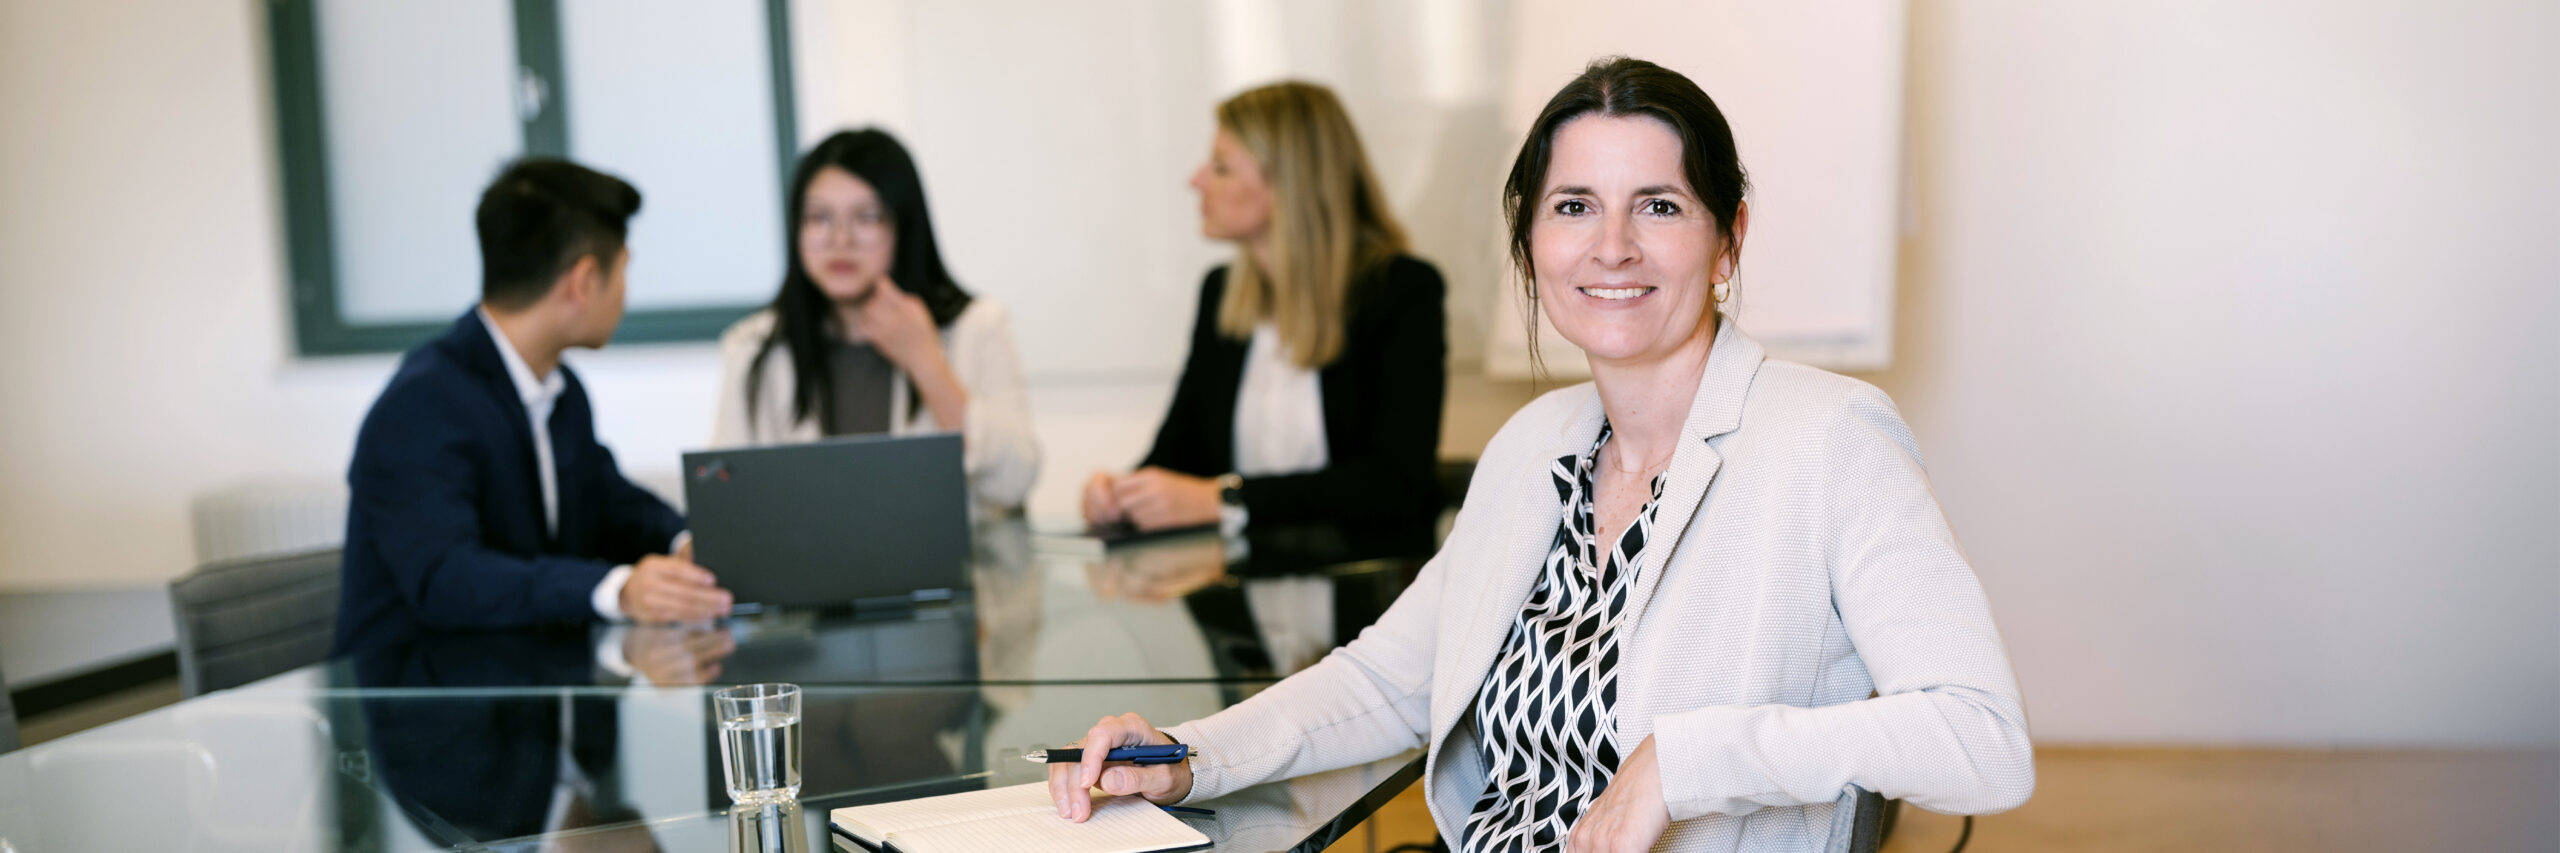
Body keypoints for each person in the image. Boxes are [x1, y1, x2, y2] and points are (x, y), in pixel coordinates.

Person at [1048, 58, 2033, 852]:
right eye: (1571, 207)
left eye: (1658, 205)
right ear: (1528, 245)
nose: (1611, 246)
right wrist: (1188, 757)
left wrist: (1684, 761)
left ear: (1726, 240)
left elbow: (1982, 742)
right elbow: (1388, 678)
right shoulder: (1534, 446)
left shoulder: (1828, 437)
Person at [335, 158, 733, 657]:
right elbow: (447, 577)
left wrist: (684, 543)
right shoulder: (422, 403)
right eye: (624, 272)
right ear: (585, 280)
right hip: (424, 704)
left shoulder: (559, 389)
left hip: (522, 690)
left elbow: (608, 501)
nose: (625, 297)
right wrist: (618, 590)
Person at [1080, 81, 1447, 536]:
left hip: (1366, 595)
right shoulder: (1220, 293)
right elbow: (1178, 457)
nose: (1196, 181)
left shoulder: (1400, 289)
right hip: (1241, 594)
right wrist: (1122, 493)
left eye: (1221, 167)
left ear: (1287, 181)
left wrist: (1225, 501)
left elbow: (1395, 486)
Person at [711, 129, 1039, 513]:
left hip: (949, 571)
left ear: (904, 225)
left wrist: (926, 362)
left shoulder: (976, 326)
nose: (840, 240)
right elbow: (724, 500)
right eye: (819, 218)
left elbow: (1015, 482)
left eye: (866, 217)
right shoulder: (753, 345)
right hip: (808, 571)